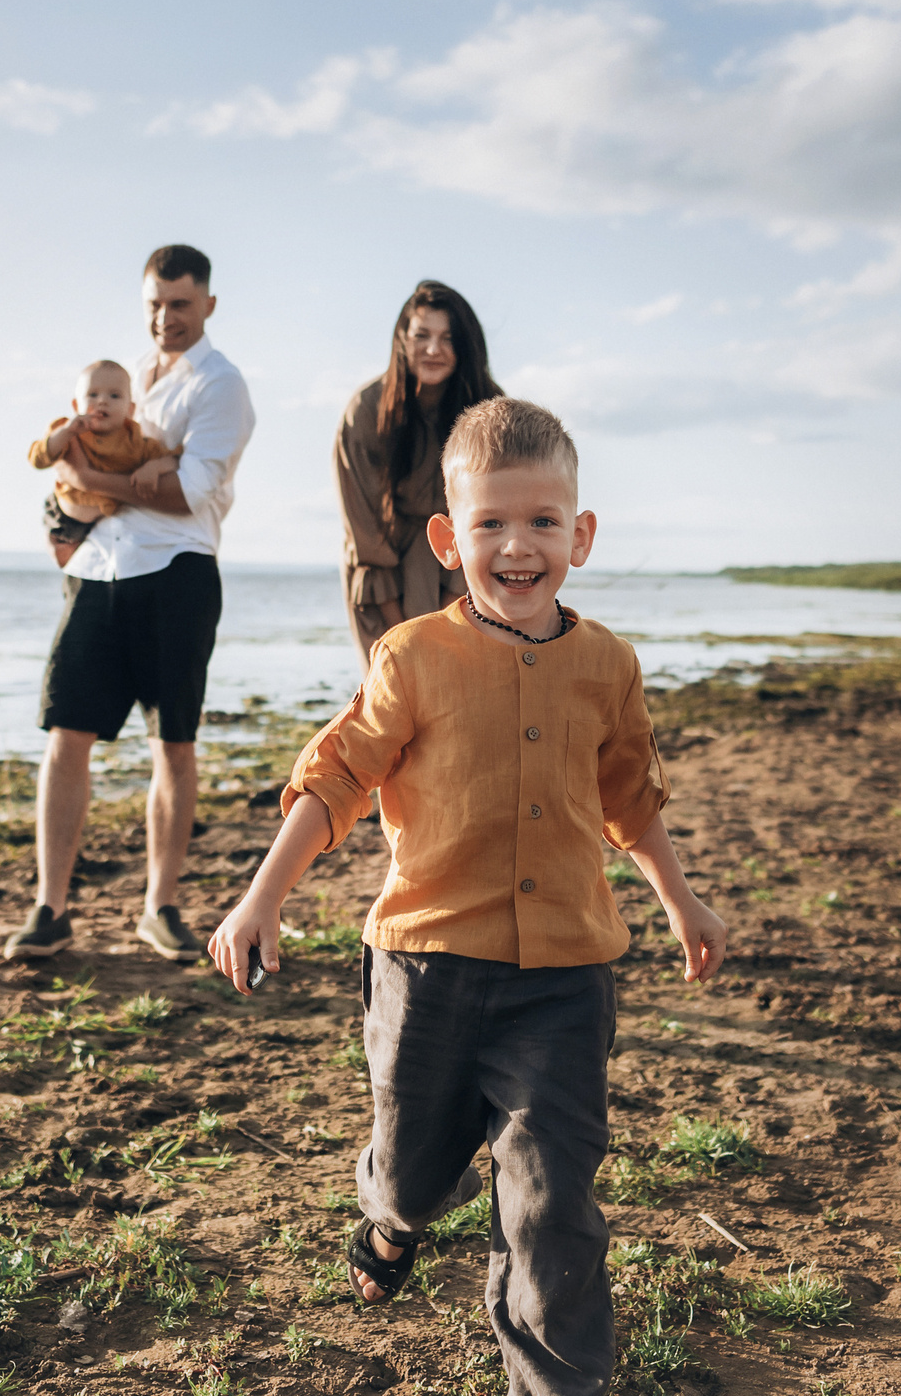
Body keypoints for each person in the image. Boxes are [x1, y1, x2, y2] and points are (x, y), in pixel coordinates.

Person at [207, 398, 728, 1396]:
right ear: (449, 540)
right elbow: (338, 780)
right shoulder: (410, 656)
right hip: (427, 972)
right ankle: (392, 1220)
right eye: (490, 523)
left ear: (579, 534)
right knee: (413, 1174)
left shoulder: (608, 666)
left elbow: (628, 795)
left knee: (550, 1208)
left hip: (565, 982)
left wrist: (679, 898)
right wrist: (260, 897)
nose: (516, 546)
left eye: (541, 522)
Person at [2, 245, 256, 963]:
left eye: (179, 304)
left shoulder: (222, 385)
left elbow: (187, 494)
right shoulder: (127, 379)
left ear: (207, 304)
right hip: (96, 569)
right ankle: (50, 908)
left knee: (172, 744)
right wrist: (82, 488)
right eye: (153, 304)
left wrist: (87, 474)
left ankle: (160, 907)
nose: (164, 318)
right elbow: (79, 466)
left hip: (176, 572)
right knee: (65, 736)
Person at [336, 280, 503, 659]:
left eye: (447, 338)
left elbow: (496, 517)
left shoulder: (492, 411)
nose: (433, 350)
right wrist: (405, 633)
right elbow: (363, 530)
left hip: (467, 576)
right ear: (402, 340)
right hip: (382, 581)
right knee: (396, 696)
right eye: (421, 335)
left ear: (465, 344)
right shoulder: (365, 410)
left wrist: (451, 613)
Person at [27, 359, 179, 567]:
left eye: (114, 395)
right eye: (92, 395)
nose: (102, 401)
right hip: (63, 518)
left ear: (130, 409)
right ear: (75, 405)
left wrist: (154, 467)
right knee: (64, 558)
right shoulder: (69, 432)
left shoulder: (136, 443)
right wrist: (65, 433)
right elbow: (38, 459)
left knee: (86, 563)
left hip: (100, 524)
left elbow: (174, 459)